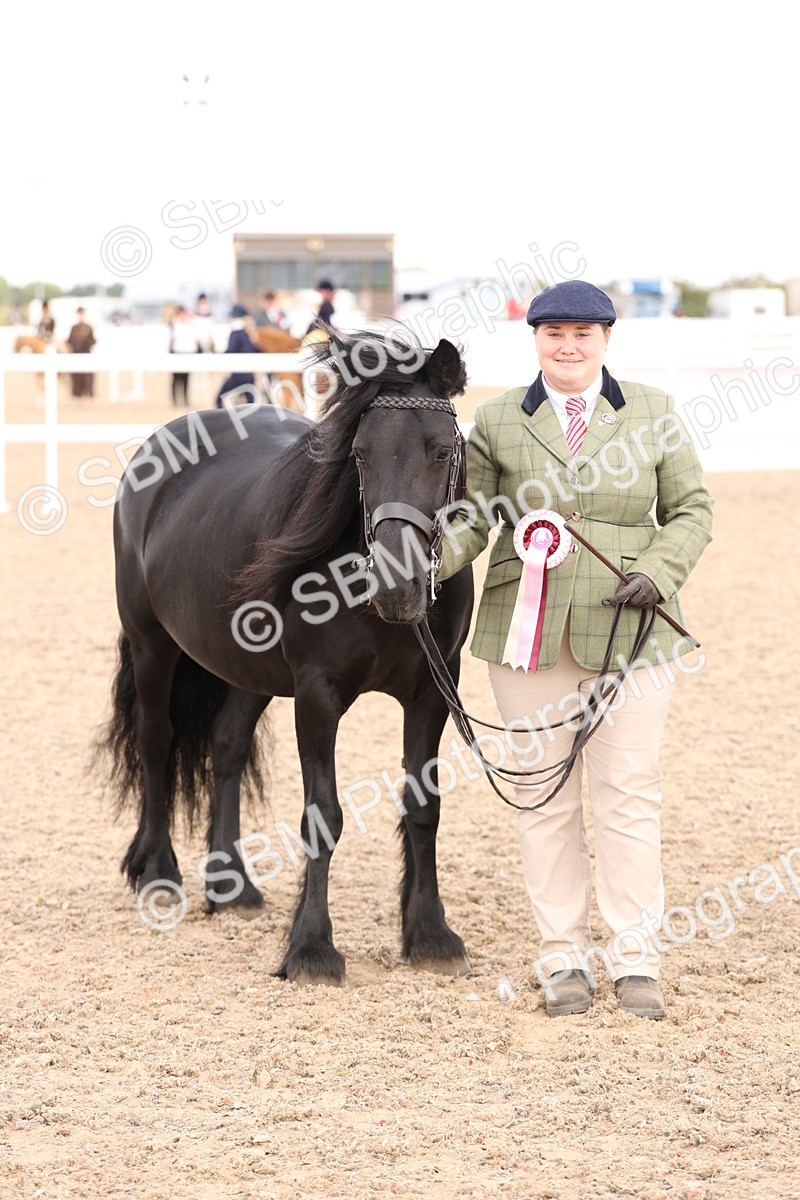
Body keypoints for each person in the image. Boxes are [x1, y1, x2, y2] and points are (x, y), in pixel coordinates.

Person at [436, 280, 713, 1020]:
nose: (568, 345)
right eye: (554, 332)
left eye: (583, 334)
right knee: (543, 795)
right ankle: (561, 957)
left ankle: (635, 960)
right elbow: (473, 520)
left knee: (627, 795)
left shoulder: (653, 410)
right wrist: (425, 563)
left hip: (633, 633)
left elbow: (691, 508)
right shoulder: (495, 420)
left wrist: (659, 570)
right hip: (524, 637)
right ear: (535, 340)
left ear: (605, 340)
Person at [215, 304, 261, 408]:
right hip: (250, 376)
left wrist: (219, 356)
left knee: (219, 399)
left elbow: (230, 350)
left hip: (238, 376)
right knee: (251, 403)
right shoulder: (251, 333)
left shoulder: (236, 333)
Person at [169, 305, 201, 406]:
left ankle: (185, 399)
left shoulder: (191, 324)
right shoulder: (173, 325)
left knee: (186, 379)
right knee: (176, 379)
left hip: (188, 354)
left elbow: (194, 340)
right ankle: (175, 401)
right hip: (177, 353)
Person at [66, 307, 96, 398]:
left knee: (87, 375)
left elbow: (92, 340)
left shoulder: (88, 328)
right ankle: (77, 392)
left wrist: (84, 345)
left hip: (86, 354)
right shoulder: (74, 328)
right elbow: (69, 340)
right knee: (76, 375)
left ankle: (88, 392)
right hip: (75, 354)